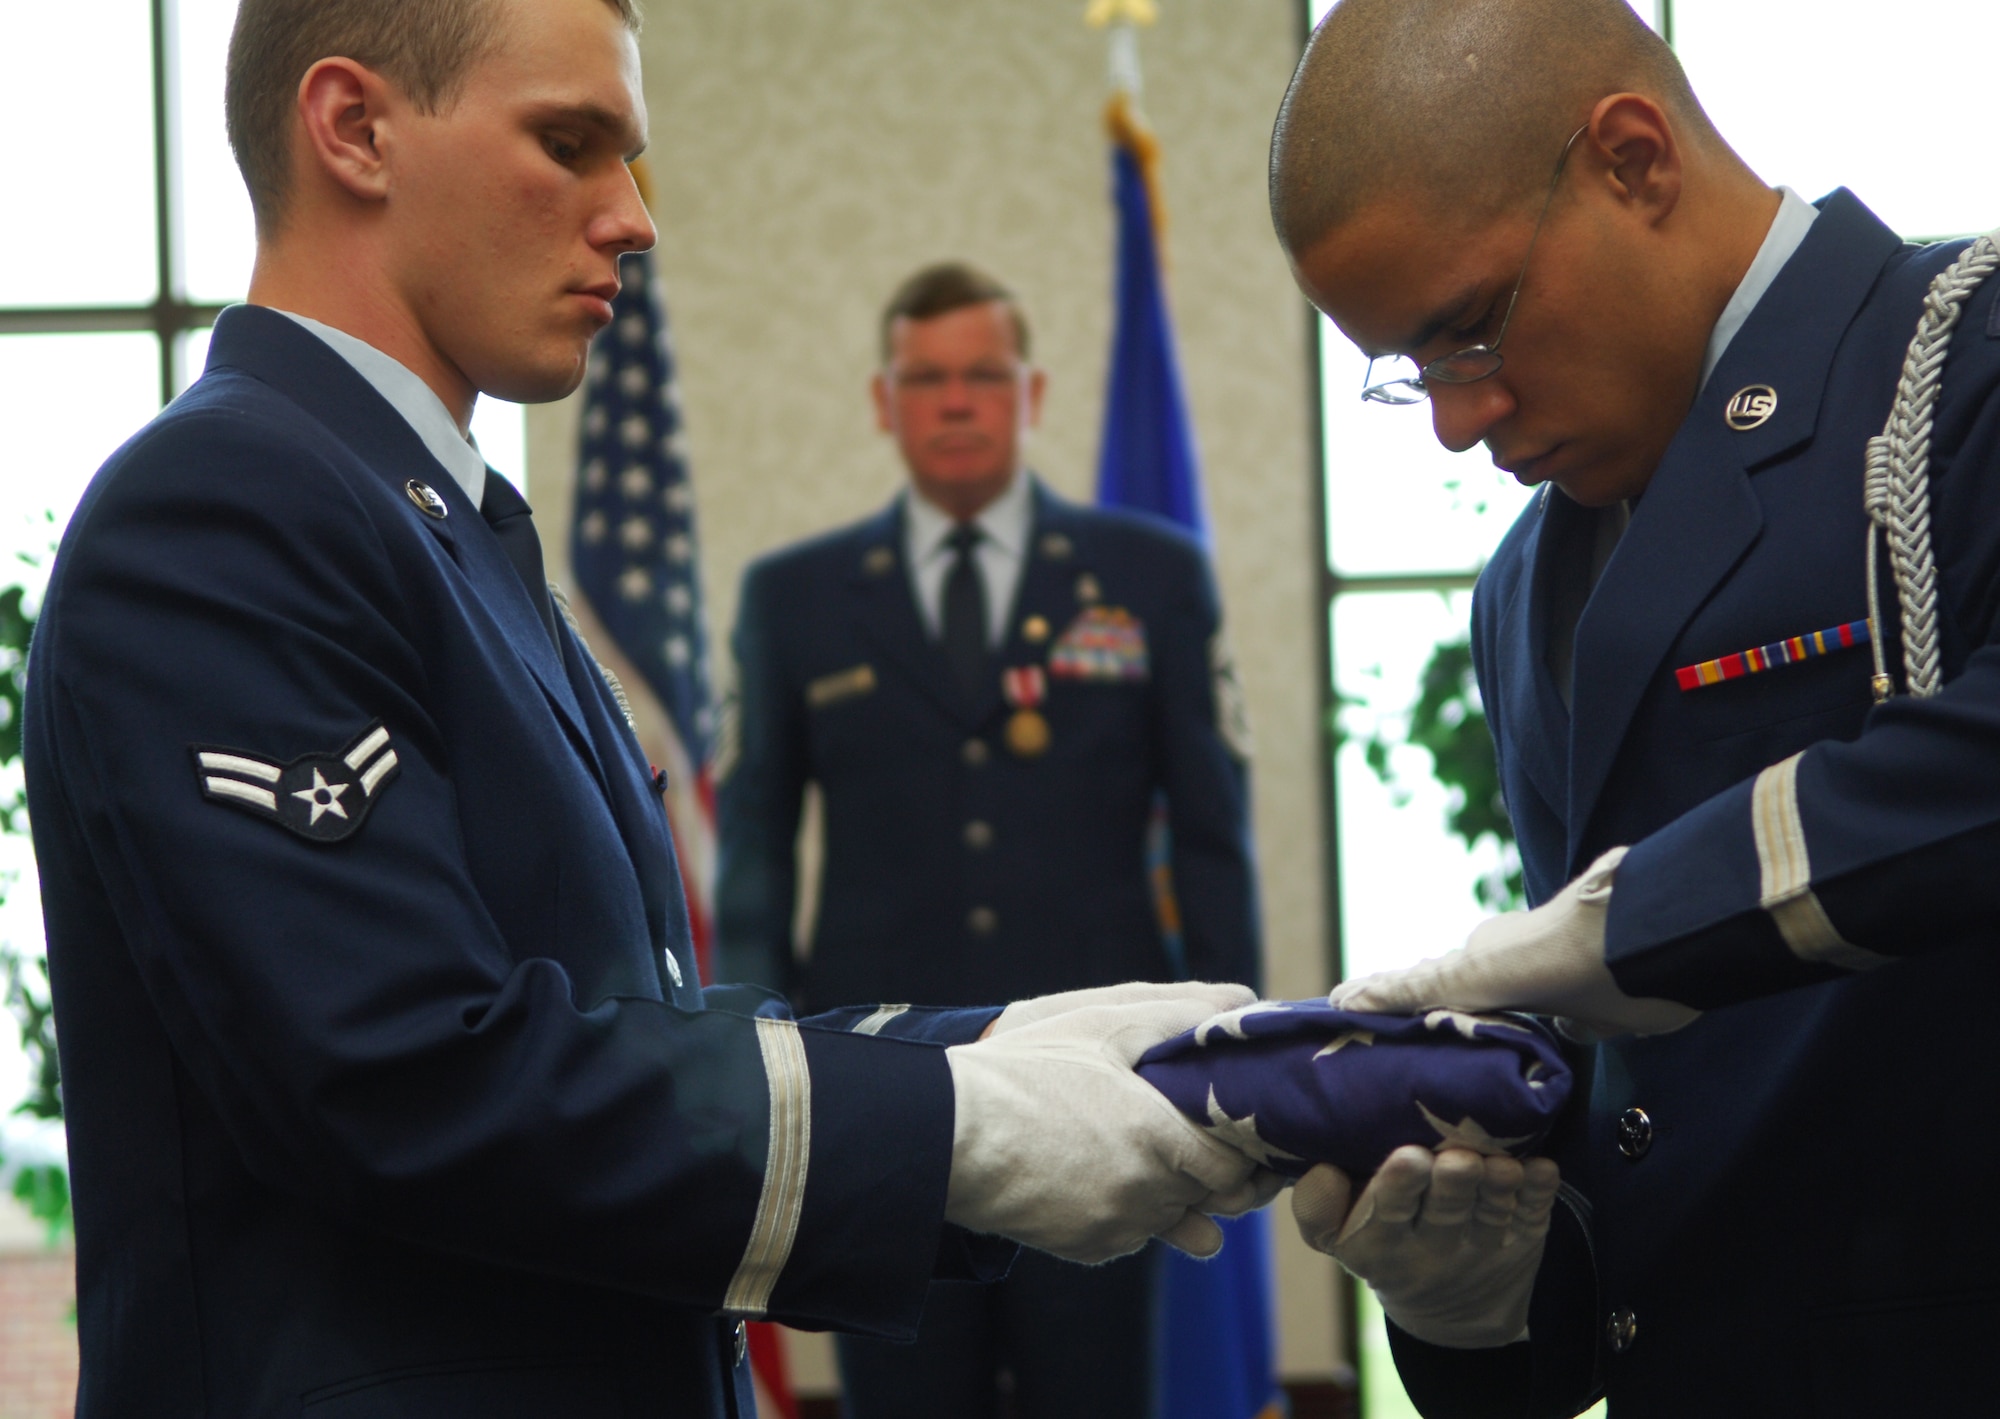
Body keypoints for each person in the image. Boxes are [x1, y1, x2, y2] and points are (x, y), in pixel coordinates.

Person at [21, 3, 1269, 1414]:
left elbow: (622, 1017)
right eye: (570, 143)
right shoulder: (227, 507)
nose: (633, 218)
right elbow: (408, 1076)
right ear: (355, 129)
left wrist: (986, 1049)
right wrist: (959, 1118)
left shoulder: (438, 526)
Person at [1265, 0, 2000, 1413]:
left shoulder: (1957, 366)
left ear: (1634, 160)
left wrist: (1631, 923)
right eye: (1409, 369)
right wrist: (1475, 1295)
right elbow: (1636, 1136)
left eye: (1470, 328)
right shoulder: (1526, 590)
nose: (1456, 420)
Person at [715, 262, 1262, 1418]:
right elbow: (756, 849)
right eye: (925, 379)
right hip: (886, 1102)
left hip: (1105, 1090)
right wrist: (757, 1065)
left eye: (981, 376)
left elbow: (1210, 835)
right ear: (883, 401)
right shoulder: (795, 600)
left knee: (1094, 1396)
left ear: (1031, 391)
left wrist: (1235, 1054)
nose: (954, 402)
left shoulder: (1146, 578)